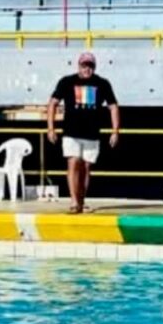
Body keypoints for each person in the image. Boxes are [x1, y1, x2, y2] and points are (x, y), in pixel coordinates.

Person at [47, 52, 120, 214]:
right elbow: (52, 103)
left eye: (90, 66)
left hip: (92, 133)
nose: (87, 69)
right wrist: (51, 128)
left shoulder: (102, 83)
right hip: (71, 132)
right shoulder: (67, 82)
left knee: (86, 168)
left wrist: (115, 131)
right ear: (79, 66)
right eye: (84, 65)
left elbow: (113, 106)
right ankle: (74, 201)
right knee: (73, 163)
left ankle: (81, 200)